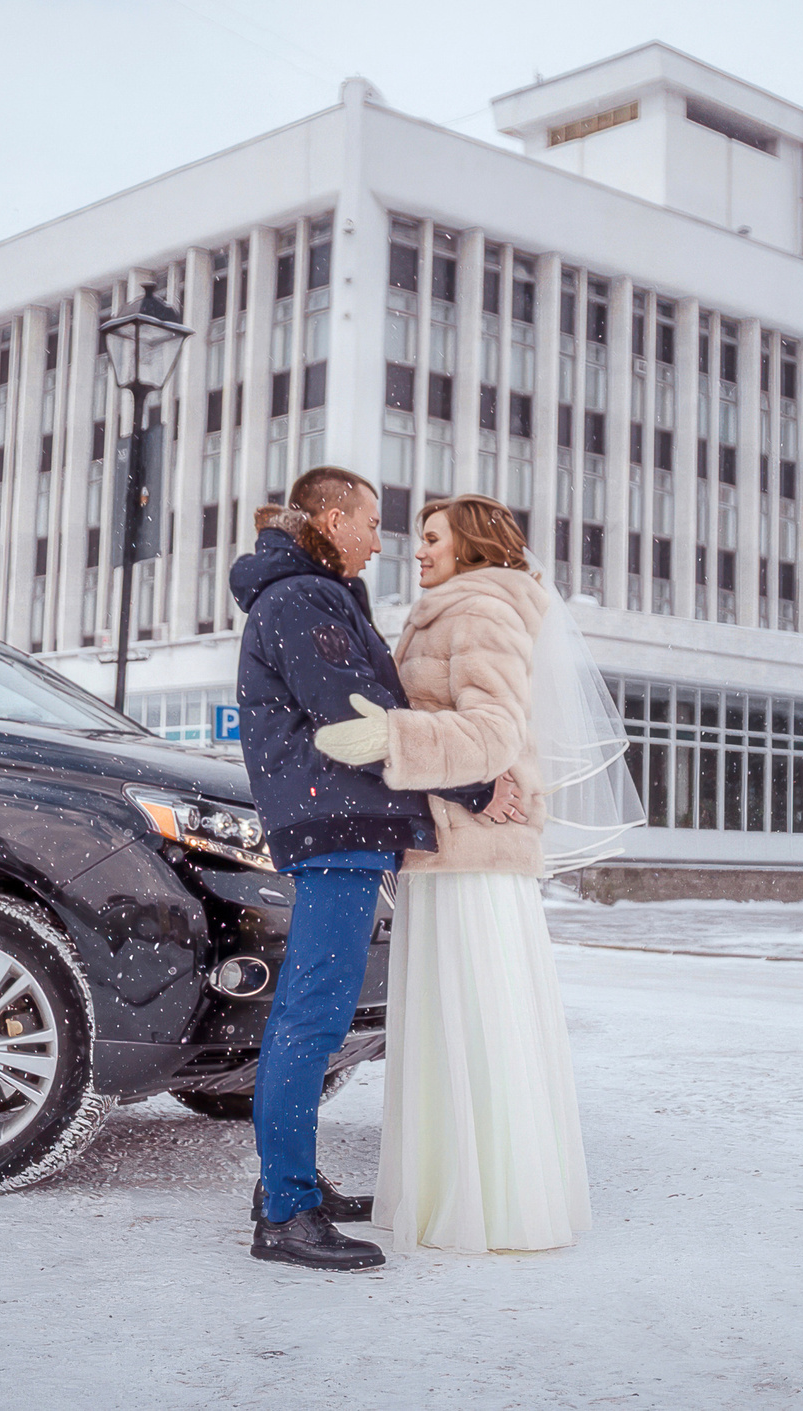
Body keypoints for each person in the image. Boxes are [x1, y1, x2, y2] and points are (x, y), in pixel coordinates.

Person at [314, 492, 637, 1253]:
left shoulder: (481, 610)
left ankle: (492, 1203)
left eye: (431, 538)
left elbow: (494, 730)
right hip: (448, 849)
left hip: (473, 859)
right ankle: (455, 1192)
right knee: (451, 1024)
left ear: (473, 546)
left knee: (476, 1022)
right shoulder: (449, 607)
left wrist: (391, 735)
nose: (417, 551)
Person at [228, 466, 517, 1272]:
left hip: (339, 820)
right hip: (336, 822)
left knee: (311, 1013)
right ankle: (285, 1210)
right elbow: (361, 718)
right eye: (370, 520)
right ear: (330, 516)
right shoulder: (302, 600)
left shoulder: (309, 595)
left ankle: (288, 1186)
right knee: (311, 1018)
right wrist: (476, 781)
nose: (380, 539)